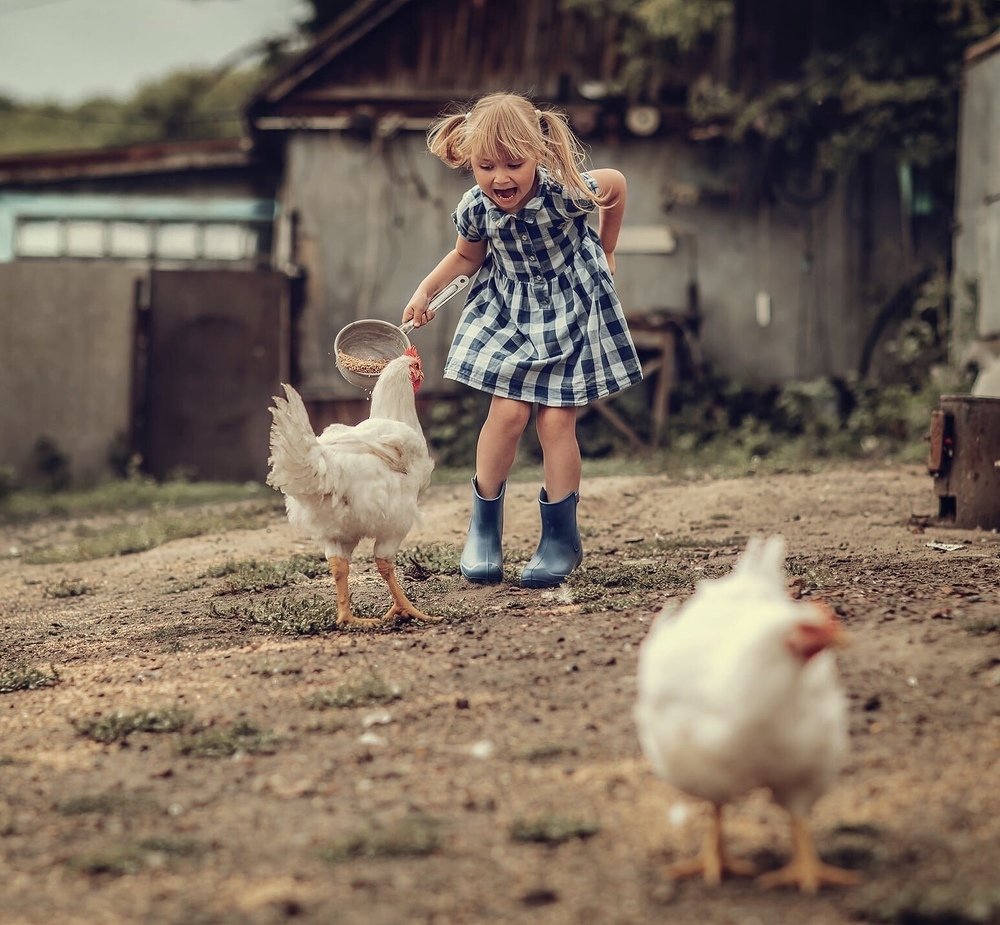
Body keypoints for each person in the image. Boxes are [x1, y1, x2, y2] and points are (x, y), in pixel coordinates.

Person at [402, 92, 642, 589]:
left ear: (538, 153)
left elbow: (615, 186)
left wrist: (608, 248)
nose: (500, 178)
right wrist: (426, 291)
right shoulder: (475, 208)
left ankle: (560, 538)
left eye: (514, 163)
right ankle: (484, 529)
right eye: (486, 166)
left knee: (556, 421)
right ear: (470, 163)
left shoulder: (565, 192)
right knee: (507, 414)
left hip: (569, 309)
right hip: (510, 311)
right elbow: (466, 259)